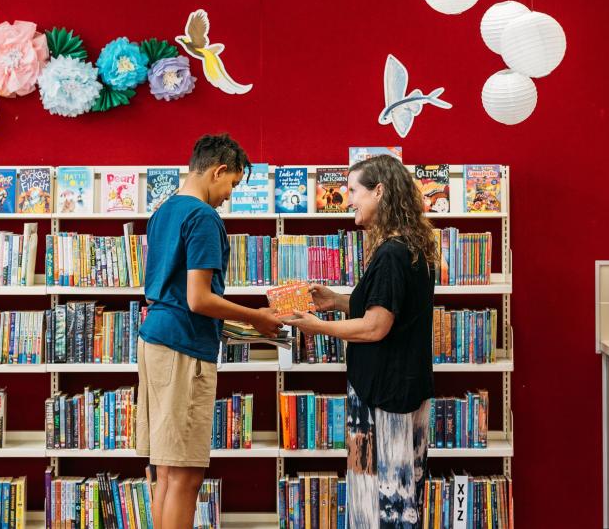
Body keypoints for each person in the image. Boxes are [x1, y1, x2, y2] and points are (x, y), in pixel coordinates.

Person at [137, 134, 282, 529]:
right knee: (186, 475)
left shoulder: (163, 211)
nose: (229, 195)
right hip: (184, 345)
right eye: (231, 184)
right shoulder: (203, 217)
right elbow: (199, 299)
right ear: (218, 171)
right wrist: (257, 318)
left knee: (165, 471)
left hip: (155, 339)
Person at [288, 155, 438, 528]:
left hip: (384, 396)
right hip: (402, 390)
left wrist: (316, 327)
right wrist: (338, 301)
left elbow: (376, 327)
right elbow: (390, 309)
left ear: (380, 192)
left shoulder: (389, 254)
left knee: (385, 502)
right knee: (402, 492)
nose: (348, 198)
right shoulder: (410, 246)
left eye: (354, 190)